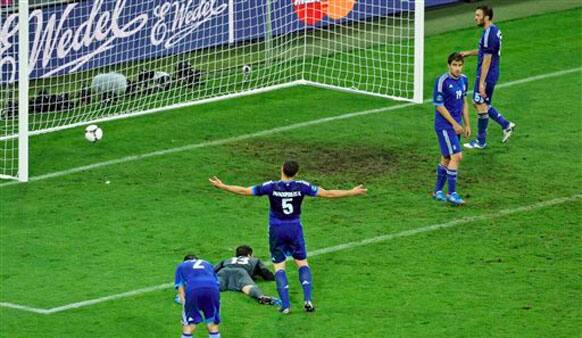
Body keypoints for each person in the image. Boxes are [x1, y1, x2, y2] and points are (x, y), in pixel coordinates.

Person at [209, 160, 367, 314]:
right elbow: (328, 193)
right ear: (296, 173)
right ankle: (308, 300)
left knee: (279, 266)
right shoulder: (302, 186)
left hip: (276, 229)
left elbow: (244, 191)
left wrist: (223, 186)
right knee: (302, 263)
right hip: (294, 228)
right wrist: (351, 192)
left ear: (281, 169)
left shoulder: (270, 186)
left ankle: (285, 306)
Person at [460, 5, 515, 149]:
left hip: (487, 74)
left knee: (480, 104)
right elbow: (483, 50)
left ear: (486, 17)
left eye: (478, 15)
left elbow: (487, 60)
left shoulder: (489, 35)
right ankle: (506, 125)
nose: (475, 18)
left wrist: (482, 83)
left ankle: (481, 141)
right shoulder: (493, 30)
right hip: (492, 73)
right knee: (480, 103)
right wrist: (468, 53)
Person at [432, 52, 471, 206]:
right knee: (457, 156)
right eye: (454, 65)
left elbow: (464, 102)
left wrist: (467, 124)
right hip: (445, 125)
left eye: (460, 65)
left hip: (457, 126)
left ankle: (437, 191)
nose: (457, 69)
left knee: (447, 158)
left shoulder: (464, 80)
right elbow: (439, 106)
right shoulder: (442, 81)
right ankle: (452, 193)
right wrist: (454, 124)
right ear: (449, 65)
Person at [214, 245, 279, 305]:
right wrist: (273, 277)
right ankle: (261, 297)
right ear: (248, 255)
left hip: (224, 271)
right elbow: (265, 272)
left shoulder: (227, 260)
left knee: (216, 285)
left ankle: (205, 290)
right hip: (240, 272)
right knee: (247, 286)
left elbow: (213, 270)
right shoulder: (255, 260)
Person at [175, 254, 221, 338]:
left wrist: (184, 302)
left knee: (189, 325)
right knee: (212, 323)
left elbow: (180, 287)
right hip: (212, 290)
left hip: (194, 290)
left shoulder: (181, 266)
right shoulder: (207, 263)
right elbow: (217, 283)